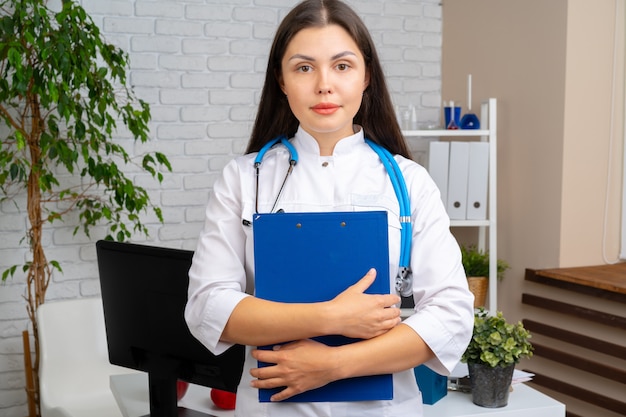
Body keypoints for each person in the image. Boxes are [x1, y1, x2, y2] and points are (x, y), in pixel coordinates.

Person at [185, 0, 474, 415]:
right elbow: (208, 307)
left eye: (342, 66)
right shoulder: (243, 178)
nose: (324, 85)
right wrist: (331, 318)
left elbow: (450, 317)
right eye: (304, 67)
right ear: (281, 81)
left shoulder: (410, 182)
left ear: (366, 76)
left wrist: (333, 365)